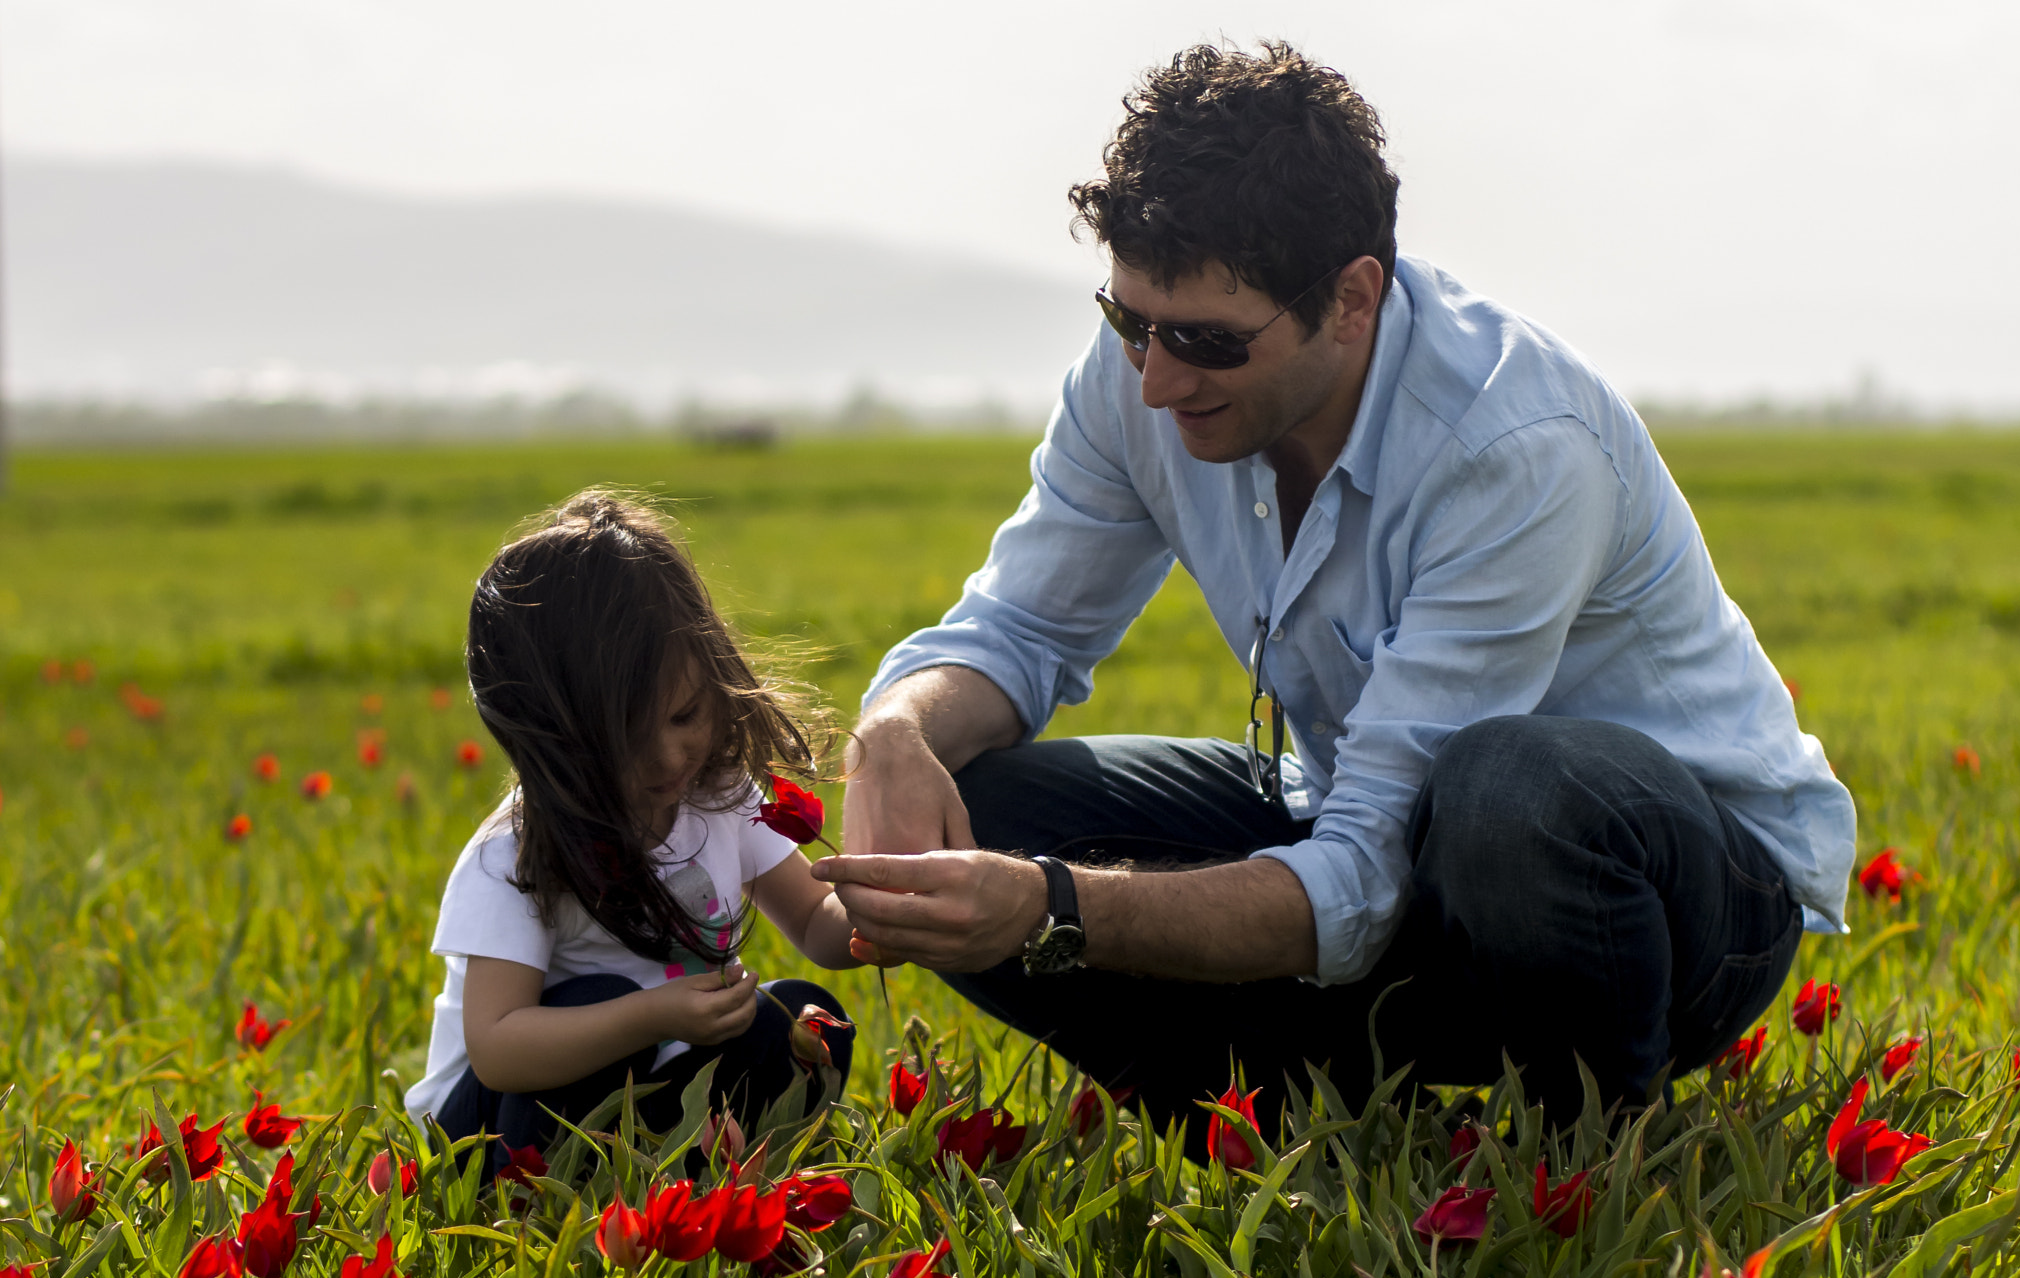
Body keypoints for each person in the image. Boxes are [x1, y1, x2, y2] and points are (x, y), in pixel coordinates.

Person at [813, 42, 1856, 1138]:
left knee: (1504, 786)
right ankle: (1301, 1121)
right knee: (982, 804)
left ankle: (1579, 1154)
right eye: (1129, 320)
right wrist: (894, 731)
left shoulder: (1512, 444)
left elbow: (1364, 867)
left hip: (1667, 901)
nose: (1157, 378)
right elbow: (1017, 627)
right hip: (1380, 833)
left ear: (1351, 298)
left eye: (1205, 340)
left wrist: (1052, 908)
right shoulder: (1138, 380)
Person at [403, 491, 860, 1166]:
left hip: (655, 1076)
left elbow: (818, 922)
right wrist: (652, 1015)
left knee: (796, 1019)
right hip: (490, 1125)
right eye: (626, 738)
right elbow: (499, 1049)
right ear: (553, 738)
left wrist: (879, 906)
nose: (672, 756)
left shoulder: (718, 796)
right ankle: (560, 1198)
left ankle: (700, 1173)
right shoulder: (519, 855)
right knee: (595, 997)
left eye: (684, 716)